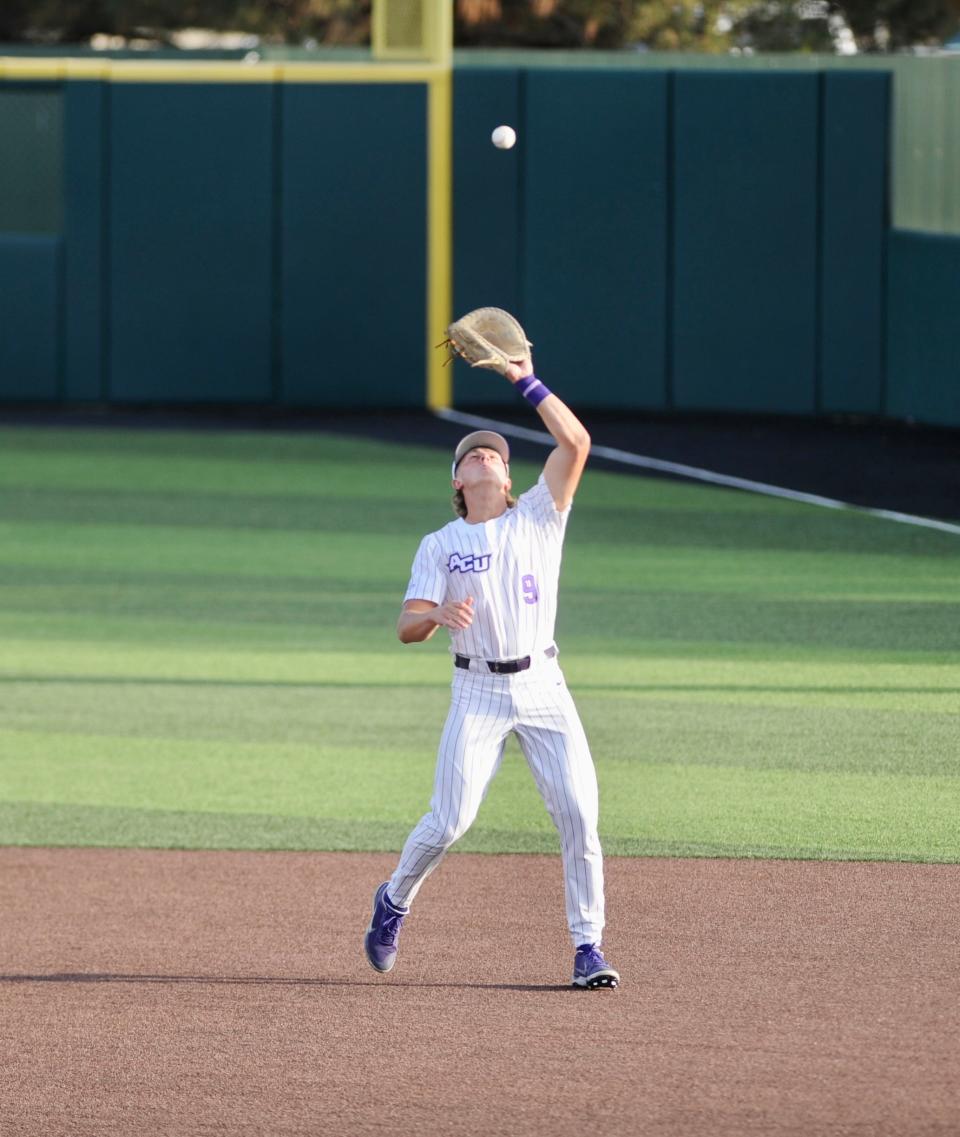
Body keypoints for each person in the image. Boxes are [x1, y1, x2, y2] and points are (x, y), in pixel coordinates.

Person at [363, 353, 619, 989]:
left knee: (579, 813)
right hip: (476, 690)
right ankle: (394, 900)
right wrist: (436, 615)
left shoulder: (539, 515)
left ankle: (589, 946)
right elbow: (405, 628)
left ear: (508, 479)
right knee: (449, 822)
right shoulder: (439, 545)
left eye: (495, 454)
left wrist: (521, 378)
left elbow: (577, 441)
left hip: (543, 686)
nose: (484, 456)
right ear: (457, 482)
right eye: (471, 454)